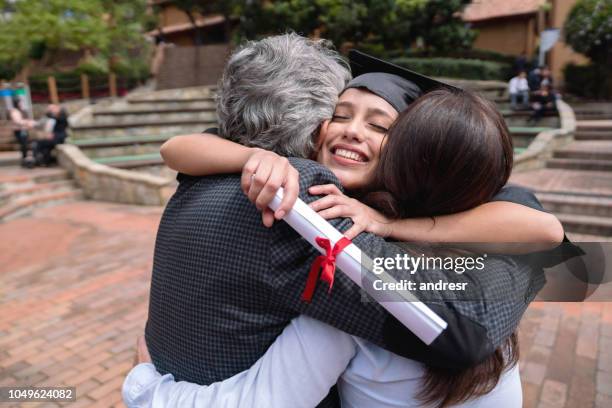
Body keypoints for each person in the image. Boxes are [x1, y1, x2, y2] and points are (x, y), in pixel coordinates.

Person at [138, 36, 561, 408]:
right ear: (314, 129)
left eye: (380, 125)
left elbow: (543, 234)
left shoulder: (387, 212)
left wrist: (389, 224)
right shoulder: (301, 197)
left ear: (411, 154)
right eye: (340, 115)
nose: (353, 132)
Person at [9, 98, 35, 167]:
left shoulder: (19, 111)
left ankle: (26, 159)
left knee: (25, 145)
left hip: (23, 130)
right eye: (20, 102)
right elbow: (18, 121)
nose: (21, 104)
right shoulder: (14, 111)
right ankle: (24, 160)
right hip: (19, 131)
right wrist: (27, 122)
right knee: (24, 145)